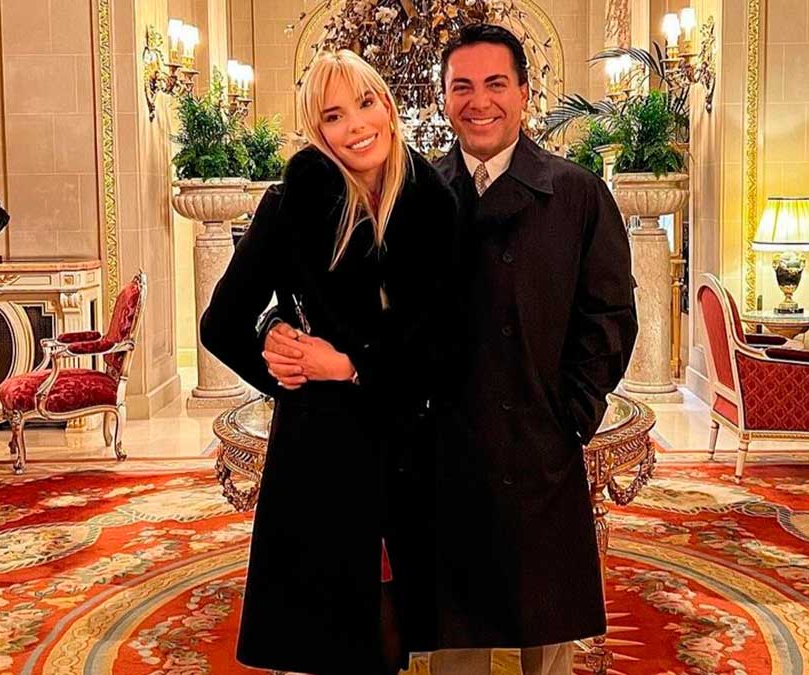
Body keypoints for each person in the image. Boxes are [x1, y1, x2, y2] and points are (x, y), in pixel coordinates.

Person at [266, 24, 637, 675]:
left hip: (540, 451)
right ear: (442, 98)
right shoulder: (406, 191)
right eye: (462, 86)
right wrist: (278, 324)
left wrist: (573, 413)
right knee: (453, 642)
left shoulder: (577, 193)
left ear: (524, 92)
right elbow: (329, 286)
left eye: (496, 84)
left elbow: (608, 316)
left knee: (545, 633)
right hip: (439, 454)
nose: (479, 101)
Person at [200, 49, 459, 675]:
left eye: (365, 103)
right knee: (332, 632)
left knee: (398, 621)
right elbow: (220, 325)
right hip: (322, 449)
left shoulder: (434, 204)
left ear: (388, 106)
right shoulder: (292, 205)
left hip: (409, 439)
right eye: (334, 115)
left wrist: (350, 367)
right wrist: (282, 358)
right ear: (318, 131)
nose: (356, 126)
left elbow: (444, 340)